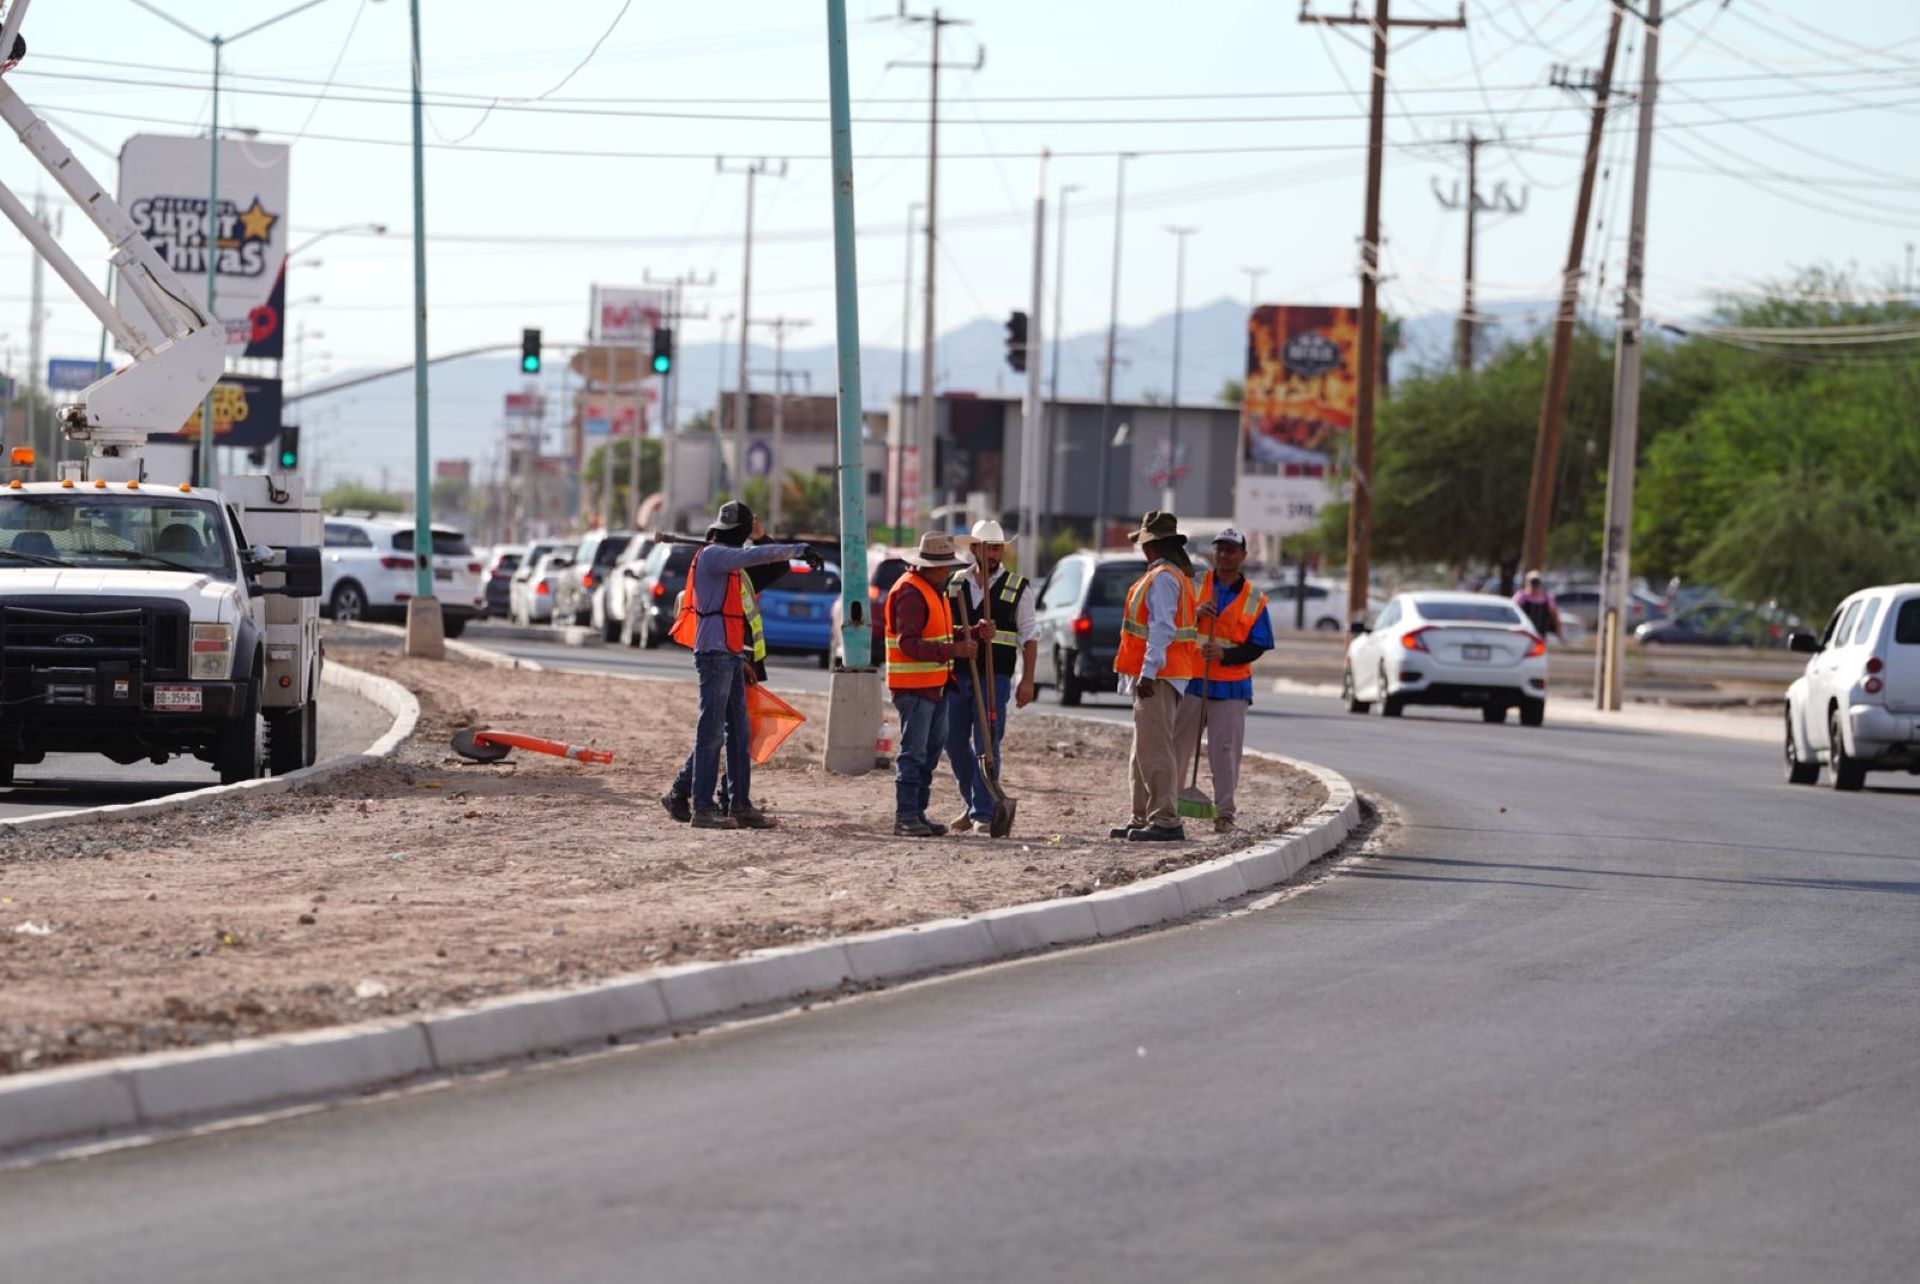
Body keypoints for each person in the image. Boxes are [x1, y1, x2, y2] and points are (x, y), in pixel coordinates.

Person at [658, 502, 817, 830]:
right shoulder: (716, 557)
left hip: (730, 654)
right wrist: (798, 549)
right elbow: (752, 557)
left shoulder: (730, 563)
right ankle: (702, 808)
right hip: (714, 655)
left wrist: (742, 658)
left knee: (739, 732)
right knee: (712, 732)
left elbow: (758, 565)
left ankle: (739, 805)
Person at [884, 531, 993, 838]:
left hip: (935, 686)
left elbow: (940, 633)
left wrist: (969, 631)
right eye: (944, 565)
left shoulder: (931, 589)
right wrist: (954, 651)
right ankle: (906, 816)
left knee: (929, 754)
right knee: (913, 753)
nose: (948, 571)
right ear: (928, 565)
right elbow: (909, 643)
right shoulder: (910, 592)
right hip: (914, 689)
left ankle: (917, 812)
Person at [1173, 528, 1274, 834]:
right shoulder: (1195, 586)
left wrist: (1225, 654)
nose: (1224, 554)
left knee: (1225, 752)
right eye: (1220, 549)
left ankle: (1225, 813)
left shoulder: (1255, 599)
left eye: (1231, 550)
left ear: (1243, 556)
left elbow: (1259, 644)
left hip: (1231, 687)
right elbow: (1173, 622)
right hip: (1192, 680)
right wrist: (1195, 613)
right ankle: (1168, 808)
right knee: (1178, 747)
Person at [1111, 511, 1202, 843]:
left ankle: (1165, 819)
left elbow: (1162, 629)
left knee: (1154, 749)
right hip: (1159, 675)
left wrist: (1148, 672)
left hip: (1159, 676)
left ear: (1151, 545)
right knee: (1142, 751)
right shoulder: (1168, 575)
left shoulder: (1163, 578)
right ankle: (1143, 816)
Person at [943, 518, 1038, 834]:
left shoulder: (1017, 587)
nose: (995, 553)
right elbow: (943, 630)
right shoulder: (955, 583)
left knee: (987, 743)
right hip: (958, 676)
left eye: (998, 547)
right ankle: (973, 802)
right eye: (988, 547)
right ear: (974, 549)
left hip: (994, 677)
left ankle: (983, 812)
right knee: (953, 740)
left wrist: (1027, 680)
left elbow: (1029, 635)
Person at [1513, 570, 1561, 641]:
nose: (1534, 585)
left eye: (1536, 582)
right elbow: (1513, 610)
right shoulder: (1521, 596)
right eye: (1532, 582)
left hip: (1541, 634)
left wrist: (1558, 631)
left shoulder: (1546, 598)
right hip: (1525, 633)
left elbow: (1554, 615)